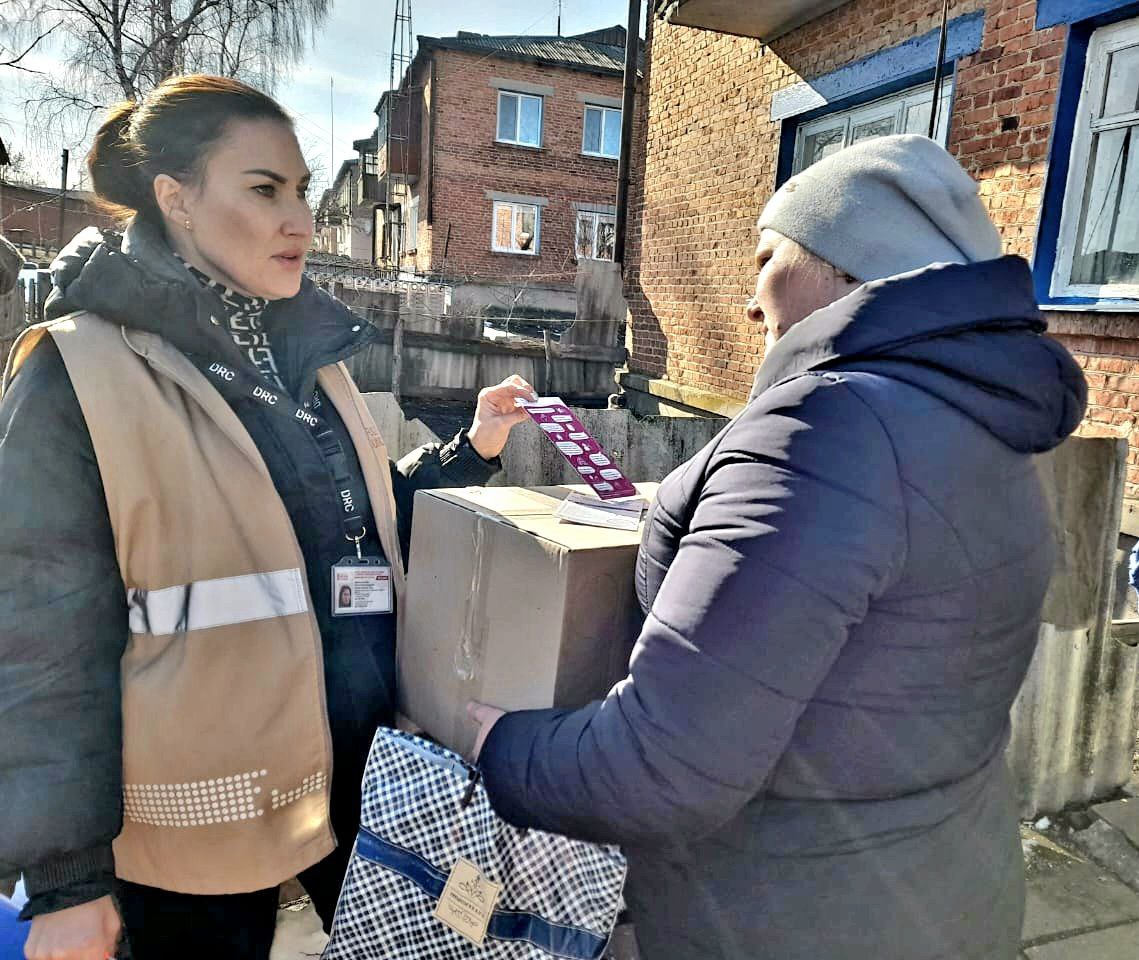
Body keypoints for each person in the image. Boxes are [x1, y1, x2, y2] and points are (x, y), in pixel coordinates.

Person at [469, 135, 1087, 960]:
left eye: (766, 257)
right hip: (945, 890)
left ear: (840, 264)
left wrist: (492, 741)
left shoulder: (823, 428)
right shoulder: (984, 423)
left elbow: (659, 769)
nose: (752, 305)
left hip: (780, 915)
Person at [0, 74, 534, 960]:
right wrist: (67, 880)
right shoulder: (75, 373)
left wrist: (467, 453)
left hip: (357, 772)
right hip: (194, 821)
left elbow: (338, 533)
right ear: (176, 198)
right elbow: (37, 636)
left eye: (303, 193)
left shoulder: (304, 358)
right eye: (263, 190)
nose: (300, 221)